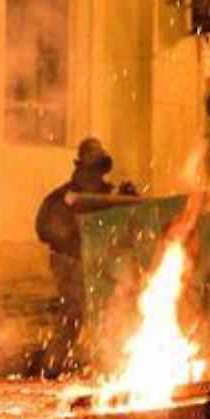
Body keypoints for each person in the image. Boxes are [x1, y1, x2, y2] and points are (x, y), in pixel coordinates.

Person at [35, 138, 137, 377]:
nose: (94, 174)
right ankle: (50, 370)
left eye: (98, 167)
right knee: (73, 315)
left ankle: (112, 370)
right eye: (90, 168)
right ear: (80, 167)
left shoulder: (110, 195)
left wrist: (127, 199)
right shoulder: (60, 199)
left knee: (114, 312)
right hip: (70, 263)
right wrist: (75, 229)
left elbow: (130, 222)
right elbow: (47, 230)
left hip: (103, 263)